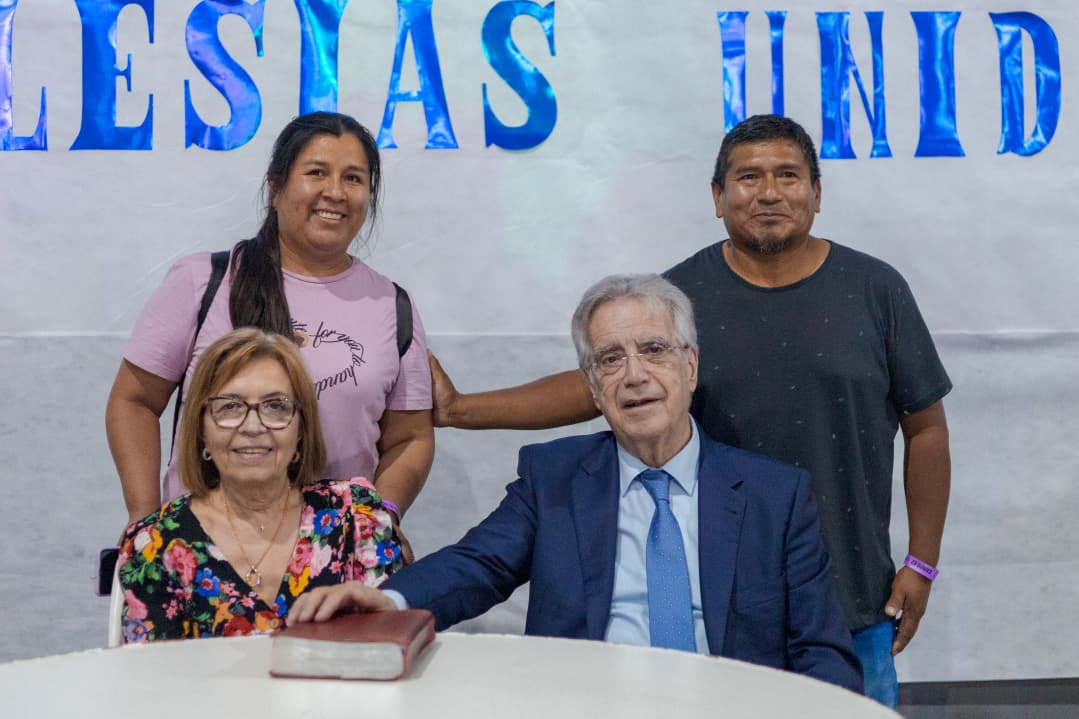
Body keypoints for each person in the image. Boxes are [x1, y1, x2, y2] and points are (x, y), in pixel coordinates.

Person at [427, 115, 951, 707]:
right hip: (732, 611)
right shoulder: (679, 299)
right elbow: (598, 385)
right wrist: (461, 410)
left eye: (788, 175)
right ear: (717, 197)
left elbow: (927, 430)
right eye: (748, 177)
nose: (769, 192)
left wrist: (922, 562)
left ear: (817, 192)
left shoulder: (876, 290)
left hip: (854, 598)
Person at [287, 274, 863, 693]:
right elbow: (477, 565)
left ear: (690, 366)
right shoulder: (555, 478)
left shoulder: (774, 496)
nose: (634, 375)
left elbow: (822, 652)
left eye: (654, 351)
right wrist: (388, 599)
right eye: (610, 359)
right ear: (592, 386)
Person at [105, 112, 434, 548]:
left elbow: (411, 437)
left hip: (331, 556)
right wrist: (145, 522)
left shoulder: (391, 304)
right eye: (316, 173)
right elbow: (134, 400)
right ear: (275, 186)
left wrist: (378, 522)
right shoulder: (204, 282)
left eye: (354, 179)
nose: (335, 192)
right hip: (202, 551)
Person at [116, 328, 403, 642]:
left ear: (301, 429)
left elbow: (387, 645)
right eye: (229, 407)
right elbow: (153, 671)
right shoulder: (154, 544)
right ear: (201, 430)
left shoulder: (357, 515)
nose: (253, 427)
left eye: (276, 406)